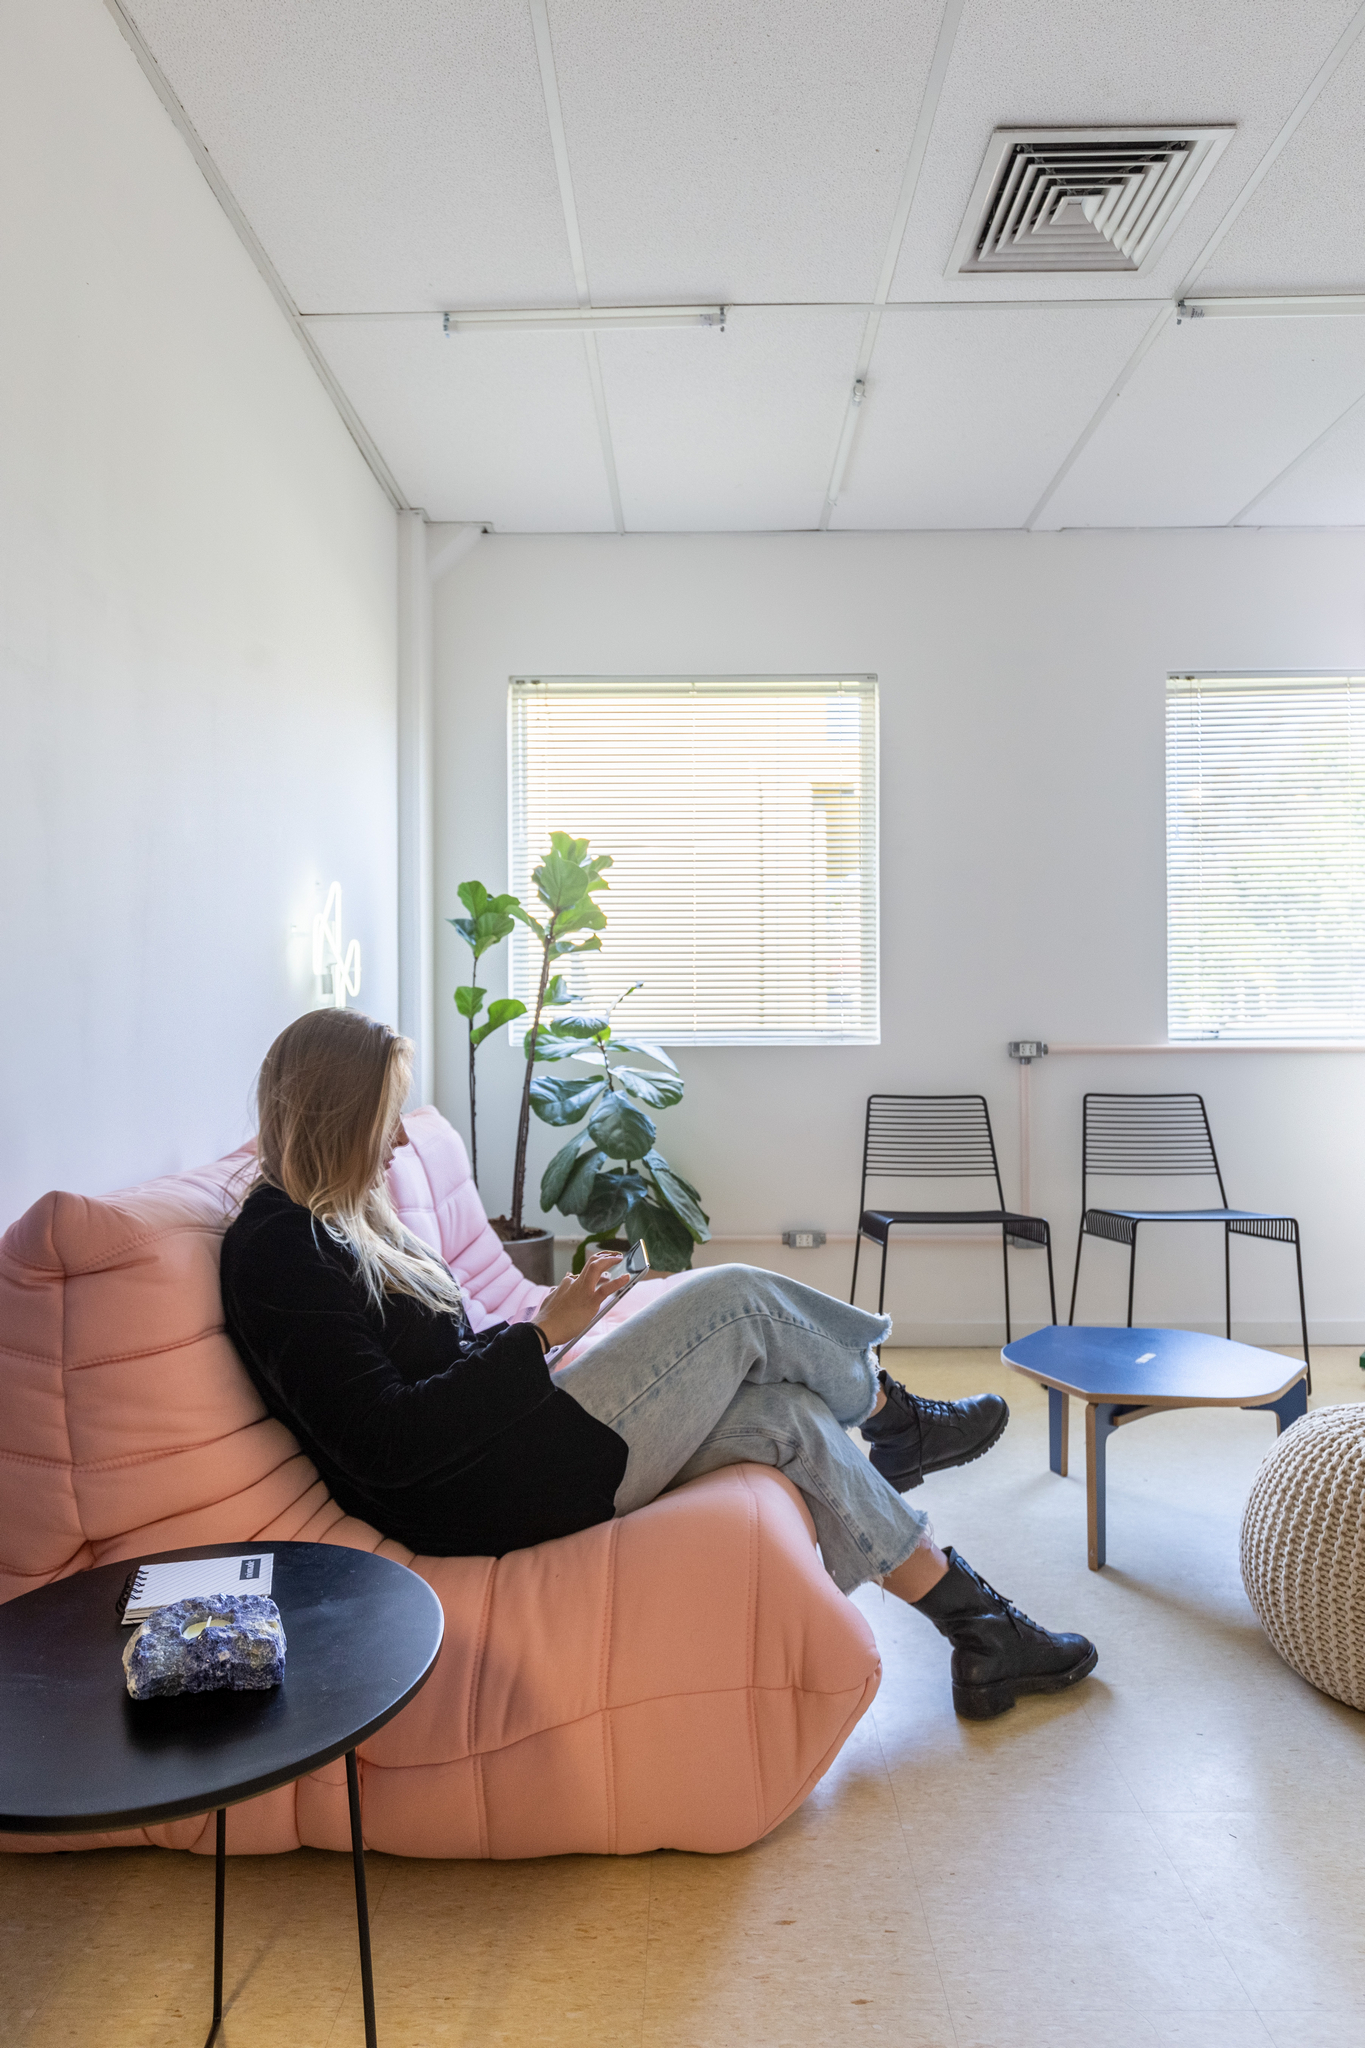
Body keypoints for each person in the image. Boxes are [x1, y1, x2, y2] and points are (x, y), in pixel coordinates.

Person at [220, 1009, 1096, 1722]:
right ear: (335, 1116)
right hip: (471, 1496)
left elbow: (436, 1362)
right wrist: (535, 1340)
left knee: (787, 1415)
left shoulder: (341, 1223)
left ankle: (980, 1632)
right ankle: (894, 1418)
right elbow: (386, 1441)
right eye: (385, 1119)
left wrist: (553, 1330)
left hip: (503, 1445)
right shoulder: (277, 1250)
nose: (398, 1144)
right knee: (736, 1299)